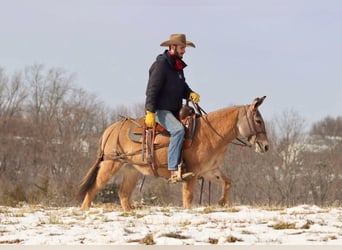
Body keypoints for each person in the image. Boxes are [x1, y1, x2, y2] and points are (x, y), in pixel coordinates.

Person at [144, 34, 200, 182]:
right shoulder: (161, 65)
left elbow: (182, 87)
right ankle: (173, 169)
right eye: (182, 48)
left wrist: (190, 93)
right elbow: (152, 89)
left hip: (175, 109)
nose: (184, 51)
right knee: (178, 130)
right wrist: (150, 111)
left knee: (195, 125)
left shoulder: (177, 66)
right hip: (161, 110)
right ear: (172, 47)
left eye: (184, 48)